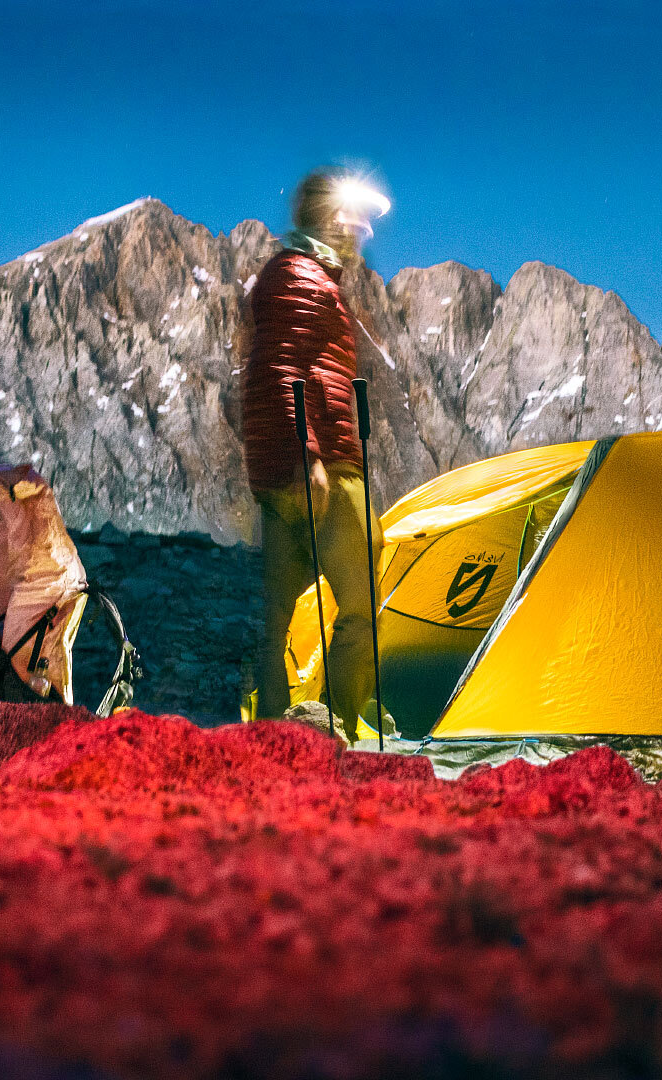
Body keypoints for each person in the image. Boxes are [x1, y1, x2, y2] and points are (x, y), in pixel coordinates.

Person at [242, 168, 390, 736]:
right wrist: (310, 457)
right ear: (330, 216)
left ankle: (277, 737)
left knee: (274, 619)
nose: (362, 227)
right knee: (361, 605)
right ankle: (342, 731)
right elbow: (285, 370)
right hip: (316, 465)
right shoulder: (302, 276)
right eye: (353, 214)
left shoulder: (300, 275)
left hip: (287, 467)